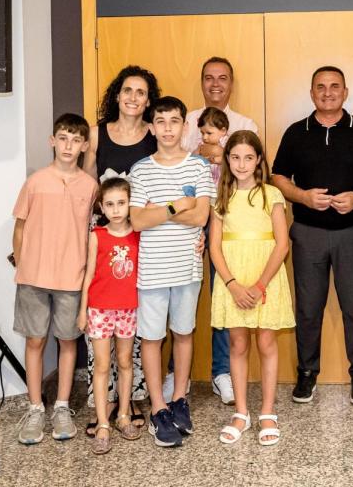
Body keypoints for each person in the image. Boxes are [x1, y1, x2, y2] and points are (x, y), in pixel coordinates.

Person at [271, 65, 353, 405]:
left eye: (335, 86)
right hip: (307, 234)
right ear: (312, 93)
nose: (328, 92)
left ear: (345, 92)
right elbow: (278, 177)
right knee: (308, 309)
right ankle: (307, 374)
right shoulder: (295, 132)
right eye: (321, 87)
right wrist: (303, 196)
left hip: (352, 233)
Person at [129, 96, 216, 447]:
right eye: (160, 121)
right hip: (152, 270)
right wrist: (175, 205)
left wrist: (161, 212)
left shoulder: (197, 168)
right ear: (151, 127)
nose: (167, 128)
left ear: (185, 126)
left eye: (174, 121)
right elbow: (136, 220)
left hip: (186, 268)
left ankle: (179, 399)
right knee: (152, 338)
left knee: (183, 332)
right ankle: (159, 407)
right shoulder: (141, 169)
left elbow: (200, 217)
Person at [81, 65, 160, 434]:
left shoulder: (155, 135)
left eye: (140, 92)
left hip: (143, 240)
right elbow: (85, 186)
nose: (132, 97)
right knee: (102, 328)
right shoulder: (97, 134)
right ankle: (105, 399)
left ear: (149, 100)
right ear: (117, 94)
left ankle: (133, 397)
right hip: (104, 238)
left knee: (136, 327)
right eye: (127, 90)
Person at [178, 57, 260, 406]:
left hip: (230, 221)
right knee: (182, 292)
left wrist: (220, 153)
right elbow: (175, 165)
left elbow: (253, 168)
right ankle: (175, 373)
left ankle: (222, 372)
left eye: (222, 78)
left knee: (226, 295)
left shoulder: (245, 123)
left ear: (231, 83)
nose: (215, 84)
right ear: (201, 82)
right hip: (190, 220)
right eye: (209, 78)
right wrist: (202, 153)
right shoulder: (185, 123)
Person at [11, 113, 97, 444]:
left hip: (72, 278)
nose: (68, 145)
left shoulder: (90, 188)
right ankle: (35, 407)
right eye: (63, 138)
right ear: (52, 141)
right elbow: (19, 227)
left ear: (85, 146)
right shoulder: (35, 182)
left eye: (76, 140)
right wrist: (22, 264)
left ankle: (62, 406)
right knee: (35, 340)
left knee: (67, 340)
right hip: (33, 277)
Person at [209, 131, 294, 446]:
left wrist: (260, 285)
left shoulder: (271, 194)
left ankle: (268, 411)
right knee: (238, 344)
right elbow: (215, 248)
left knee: (267, 343)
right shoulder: (221, 197)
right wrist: (232, 285)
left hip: (265, 276)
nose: (241, 164)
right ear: (227, 160)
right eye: (235, 157)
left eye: (248, 157)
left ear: (259, 160)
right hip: (233, 278)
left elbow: (282, 244)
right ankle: (241, 412)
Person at [77, 177, 142, 455]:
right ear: (102, 207)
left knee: (126, 362)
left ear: (130, 204)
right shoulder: (97, 236)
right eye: (110, 204)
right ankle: (103, 423)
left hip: (128, 308)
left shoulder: (138, 234)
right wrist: (83, 311)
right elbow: (89, 274)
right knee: (102, 366)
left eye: (122, 203)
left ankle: (124, 414)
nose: (116, 210)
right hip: (99, 310)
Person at [198, 106, 230, 184]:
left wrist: (215, 160)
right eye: (202, 133)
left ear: (223, 131)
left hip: (223, 182)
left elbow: (229, 159)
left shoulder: (226, 142)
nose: (204, 137)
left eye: (209, 133)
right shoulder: (203, 143)